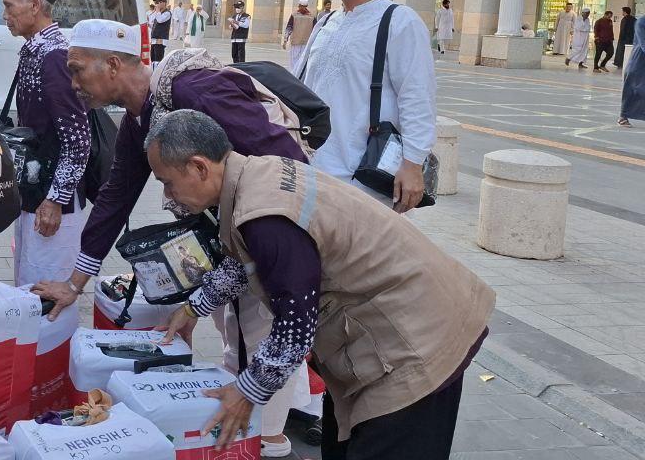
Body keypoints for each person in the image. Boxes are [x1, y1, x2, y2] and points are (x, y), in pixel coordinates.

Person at [30, 20, 309, 457]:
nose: (73, 83)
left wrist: (262, 232)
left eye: (78, 69)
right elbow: (116, 197)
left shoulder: (196, 92)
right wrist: (75, 284)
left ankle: (268, 441)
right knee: (235, 337)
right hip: (231, 246)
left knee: (263, 341)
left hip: (270, 232)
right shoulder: (141, 121)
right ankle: (244, 436)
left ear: (114, 65)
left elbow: (284, 159)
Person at [148, 110, 494, 460]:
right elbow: (245, 260)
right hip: (394, 327)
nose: (168, 195)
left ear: (199, 167)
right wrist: (193, 308)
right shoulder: (255, 173)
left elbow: (294, 331)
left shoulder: (264, 213)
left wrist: (246, 393)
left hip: (417, 343)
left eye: (167, 182)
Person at [296, 0, 435, 212]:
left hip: (363, 175)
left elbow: (417, 96)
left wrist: (413, 164)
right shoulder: (325, 22)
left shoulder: (398, 21)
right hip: (311, 167)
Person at [1, 0, 92, 286]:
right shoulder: (36, 50)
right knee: (29, 289)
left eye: (10, 6)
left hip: (53, 205)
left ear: (35, 4)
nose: (5, 16)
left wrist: (56, 200)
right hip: (34, 194)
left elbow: (78, 142)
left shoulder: (54, 57)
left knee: (44, 299)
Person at [620, 12, 645, 126]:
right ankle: (623, 116)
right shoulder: (641, 22)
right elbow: (643, 43)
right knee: (632, 88)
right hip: (638, 62)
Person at [282, 0, 314, 69]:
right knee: (302, 60)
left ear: (299, 5)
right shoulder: (312, 16)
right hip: (305, 42)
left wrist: (285, 40)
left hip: (297, 42)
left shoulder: (294, 15)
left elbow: (289, 28)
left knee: (293, 61)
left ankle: (294, 75)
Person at [148, 0, 173, 66]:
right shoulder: (158, 13)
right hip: (154, 39)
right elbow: (155, 24)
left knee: (158, 61)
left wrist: (158, 11)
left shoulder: (167, 13)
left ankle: (158, 75)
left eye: (158, 2)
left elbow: (160, 20)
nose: (157, 4)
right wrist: (149, 24)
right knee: (153, 60)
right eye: (156, 3)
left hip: (160, 40)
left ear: (164, 3)